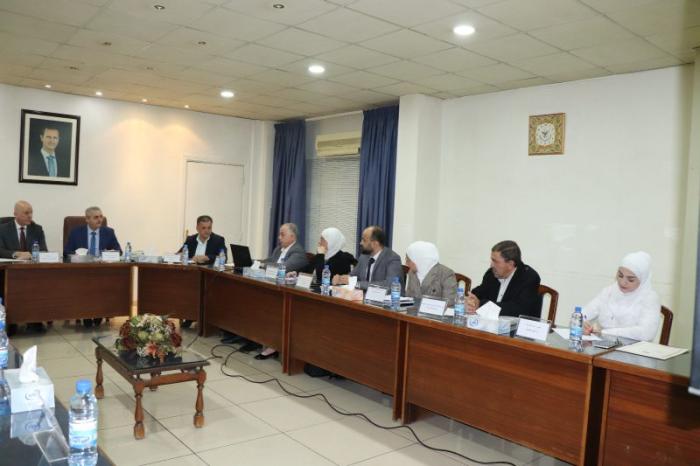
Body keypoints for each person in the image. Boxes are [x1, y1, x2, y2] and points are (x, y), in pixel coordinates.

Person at [254, 223, 309, 359]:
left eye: (282, 234)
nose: (279, 237)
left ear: (292, 236)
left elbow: (282, 268)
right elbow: (269, 261)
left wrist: (262, 265)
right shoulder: (279, 249)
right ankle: (254, 338)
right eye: (279, 234)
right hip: (272, 287)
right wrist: (254, 261)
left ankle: (273, 344)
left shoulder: (298, 252)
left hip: (286, 295)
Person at [582, 251, 661, 341]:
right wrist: (582, 323)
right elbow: (582, 314)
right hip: (603, 345)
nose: (623, 282)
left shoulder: (650, 298)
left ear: (642, 280)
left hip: (634, 348)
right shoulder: (609, 292)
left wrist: (605, 332)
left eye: (630, 280)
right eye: (620, 275)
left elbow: (646, 333)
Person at [64, 206, 121, 328]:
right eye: (96, 217)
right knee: (85, 284)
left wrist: (108, 254)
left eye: (101, 217)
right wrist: (79, 256)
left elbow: (118, 251)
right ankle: (86, 315)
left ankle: (99, 314)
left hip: (102, 270)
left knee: (105, 283)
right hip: (82, 270)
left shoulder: (109, 232)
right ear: (87, 219)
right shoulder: (76, 232)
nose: (99, 220)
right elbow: (67, 252)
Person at [0, 201, 49, 334]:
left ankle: (34, 320)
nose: (30, 216)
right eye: (26, 213)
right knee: (8, 286)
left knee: (39, 284)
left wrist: (32, 254)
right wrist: (16, 254)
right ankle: (11, 321)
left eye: (31, 212)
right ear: (15, 214)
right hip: (8, 272)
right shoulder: (3, 229)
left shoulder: (37, 229)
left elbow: (44, 250)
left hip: (31, 271)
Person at [467, 240, 541, 318]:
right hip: (492, 322)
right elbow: (481, 292)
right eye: (492, 260)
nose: (491, 265)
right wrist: (472, 298)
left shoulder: (529, 278)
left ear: (510, 264)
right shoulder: (491, 273)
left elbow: (518, 309)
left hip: (518, 324)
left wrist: (481, 304)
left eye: (495, 261)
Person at [178, 215, 226, 328]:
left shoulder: (218, 240)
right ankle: (189, 316)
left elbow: (224, 256)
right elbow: (180, 253)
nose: (207, 231)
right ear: (197, 228)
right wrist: (185, 257)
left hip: (209, 276)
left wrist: (206, 257)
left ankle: (206, 320)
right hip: (191, 275)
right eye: (203, 228)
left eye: (209, 228)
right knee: (185, 289)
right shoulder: (190, 239)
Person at [333, 226, 403, 291]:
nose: (360, 243)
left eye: (364, 240)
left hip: (387, 299)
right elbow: (353, 276)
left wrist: (357, 284)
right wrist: (341, 279)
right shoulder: (363, 257)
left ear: (375, 243)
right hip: (364, 297)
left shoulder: (393, 259)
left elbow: (389, 285)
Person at [405, 241, 458, 306]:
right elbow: (408, 297)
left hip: (435, 312)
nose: (406, 263)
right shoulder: (412, 272)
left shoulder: (446, 274)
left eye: (408, 260)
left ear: (419, 259)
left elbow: (449, 303)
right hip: (413, 311)